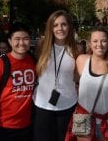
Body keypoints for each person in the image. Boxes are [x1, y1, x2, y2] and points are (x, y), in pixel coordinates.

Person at [65, 27, 108, 141]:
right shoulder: (81, 60)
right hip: (83, 118)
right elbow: (72, 81)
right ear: (90, 44)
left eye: (103, 41)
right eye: (95, 41)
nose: (99, 44)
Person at [0, 22, 36, 141]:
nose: (21, 43)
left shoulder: (34, 61)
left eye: (26, 38)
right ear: (10, 41)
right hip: (3, 125)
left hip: (28, 124)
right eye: (17, 39)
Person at [33, 10, 78, 141]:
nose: (60, 28)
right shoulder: (41, 47)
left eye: (63, 24)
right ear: (50, 28)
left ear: (69, 26)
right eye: (55, 25)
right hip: (42, 105)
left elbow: (98, 59)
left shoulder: (77, 49)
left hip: (67, 105)